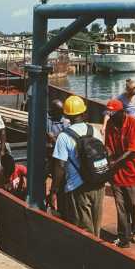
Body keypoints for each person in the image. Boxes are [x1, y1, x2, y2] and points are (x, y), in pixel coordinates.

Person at [47, 95, 105, 237]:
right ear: (84, 113)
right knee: (96, 228)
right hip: (98, 184)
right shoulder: (94, 131)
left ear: (66, 115)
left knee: (84, 230)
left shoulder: (64, 136)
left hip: (78, 188)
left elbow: (60, 166)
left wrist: (53, 190)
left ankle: (88, 257)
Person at [105, 98, 135, 248]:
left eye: (114, 113)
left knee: (134, 205)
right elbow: (108, 145)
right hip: (117, 174)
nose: (111, 116)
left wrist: (114, 162)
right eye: (109, 113)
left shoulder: (133, 123)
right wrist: (108, 156)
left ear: (122, 112)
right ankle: (123, 235)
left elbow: (132, 150)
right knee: (120, 206)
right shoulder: (110, 124)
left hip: (133, 172)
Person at [46, 99, 70, 166]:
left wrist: (54, 138)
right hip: (49, 150)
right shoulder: (46, 118)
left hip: (60, 150)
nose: (62, 113)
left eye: (62, 111)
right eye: (59, 111)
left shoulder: (65, 121)